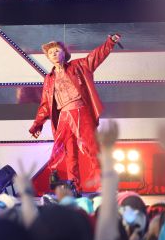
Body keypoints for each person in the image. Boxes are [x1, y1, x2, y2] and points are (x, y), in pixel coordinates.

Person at [29, 34, 121, 192]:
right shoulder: (49, 79)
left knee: (93, 148)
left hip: (80, 111)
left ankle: (104, 185)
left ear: (64, 53)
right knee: (69, 154)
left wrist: (110, 43)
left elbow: (95, 57)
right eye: (51, 53)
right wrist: (37, 124)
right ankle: (74, 187)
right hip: (64, 116)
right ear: (48, 58)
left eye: (57, 51)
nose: (54, 54)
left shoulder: (77, 66)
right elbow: (45, 104)